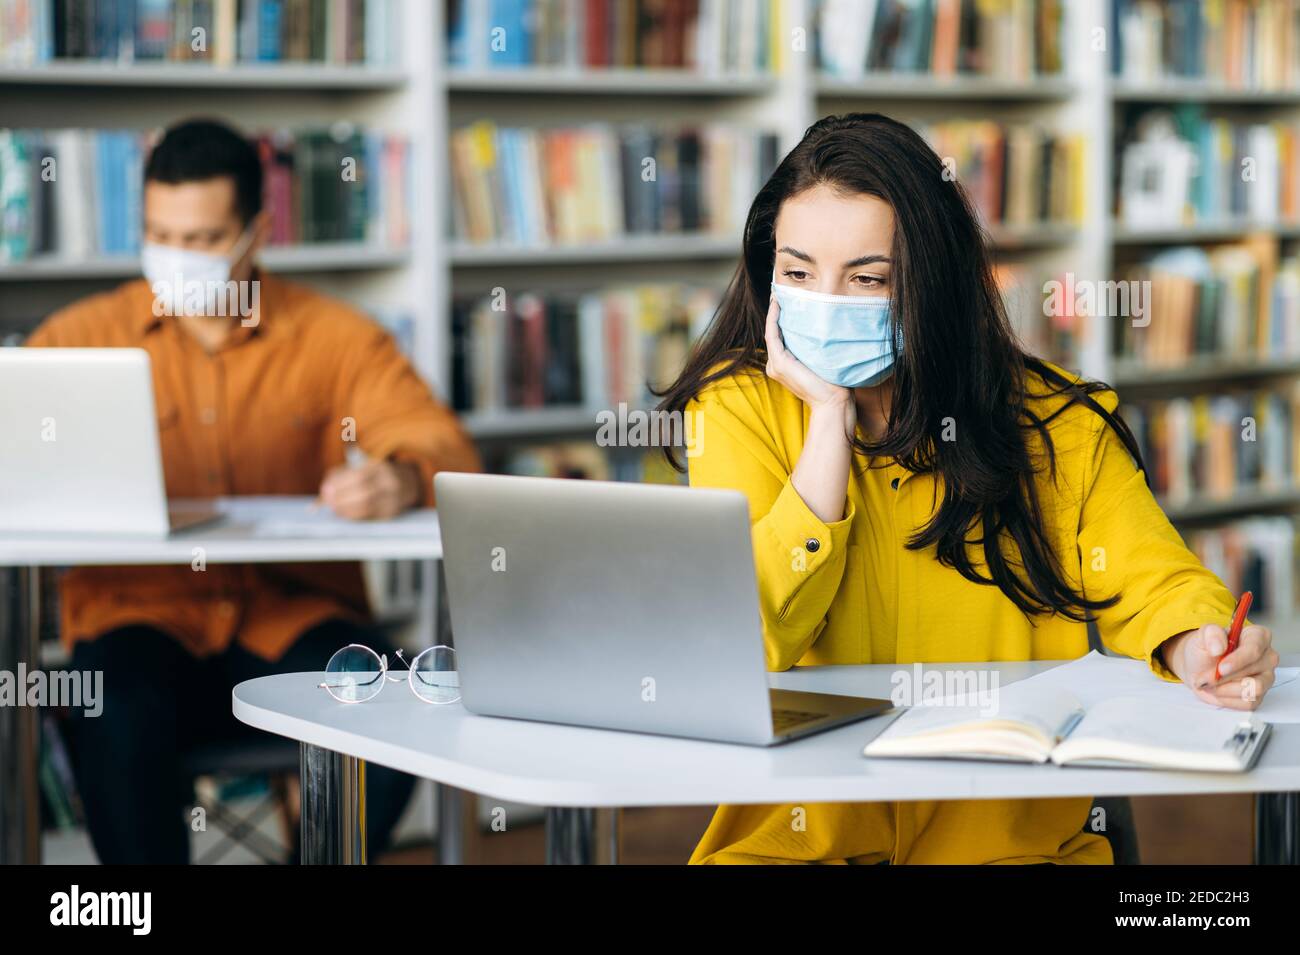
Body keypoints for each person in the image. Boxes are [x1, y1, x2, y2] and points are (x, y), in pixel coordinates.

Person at [656, 113, 1280, 865]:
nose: (826, 300)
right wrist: (827, 424)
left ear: (932, 282)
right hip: (792, 850)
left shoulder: (1055, 423)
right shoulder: (735, 408)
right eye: (797, 271)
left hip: (1005, 853)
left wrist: (1201, 641)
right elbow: (750, 640)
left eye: (868, 278)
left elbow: (1159, 583)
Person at [26, 118, 482, 863]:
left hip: (289, 616)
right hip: (135, 621)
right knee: (107, 706)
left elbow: (440, 441)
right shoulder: (79, 336)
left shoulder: (335, 335)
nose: (176, 257)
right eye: (158, 234)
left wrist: (398, 476)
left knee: (403, 709)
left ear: (256, 233)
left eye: (202, 240)